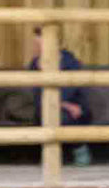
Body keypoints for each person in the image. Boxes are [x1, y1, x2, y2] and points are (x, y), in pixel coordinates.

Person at [27, 28, 94, 166]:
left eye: (41, 43)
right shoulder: (35, 64)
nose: (38, 47)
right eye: (37, 44)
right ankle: (55, 155)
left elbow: (73, 90)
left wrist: (66, 104)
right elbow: (38, 94)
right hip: (48, 107)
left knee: (70, 114)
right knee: (51, 113)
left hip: (75, 106)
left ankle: (78, 148)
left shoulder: (70, 61)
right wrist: (62, 104)